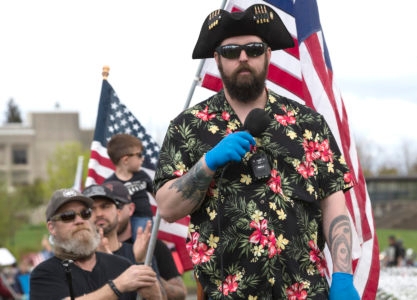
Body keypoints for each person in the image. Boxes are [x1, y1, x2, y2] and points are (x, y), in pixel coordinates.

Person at [153, 4, 359, 299]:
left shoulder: (308, 123)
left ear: (268, 55)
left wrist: (342, 276)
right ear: (217, 59)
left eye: (253, 48)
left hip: (303, 290)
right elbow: (168, 208)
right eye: (230, 51)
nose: (243, 57)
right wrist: (207, 164)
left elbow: (334, 205)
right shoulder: (187, 127)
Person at [29, 188, 164, 300]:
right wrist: (117, 286)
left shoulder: (122, 265)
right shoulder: (43, 273)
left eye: (85, 213)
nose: (79, 220)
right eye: (68, 216)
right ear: (52, 227)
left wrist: (142, 265)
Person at [115, 182, 187, 300]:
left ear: (130, 208)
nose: (110, 212)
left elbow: (180, 294)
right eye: (96, 208)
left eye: (117, 205)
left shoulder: (154, 246)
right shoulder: (94, 252)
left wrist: (148, 273)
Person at [82, 182, 159, 275]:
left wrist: (141, 262)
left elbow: (158, 290)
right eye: (91, 209)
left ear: (118, 213)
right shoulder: (76, 259)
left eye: (105, 206)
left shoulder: (138, 252)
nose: (99, 214)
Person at [105, 133, 154, 239]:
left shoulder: (142, 176)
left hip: (142, 217)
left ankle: (141, 255)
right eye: (139, 155)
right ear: (126, 160)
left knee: (140, 240)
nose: (142, 159)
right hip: (121, 221)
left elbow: (157, 194)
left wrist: (165, 211)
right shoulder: (109, 184)